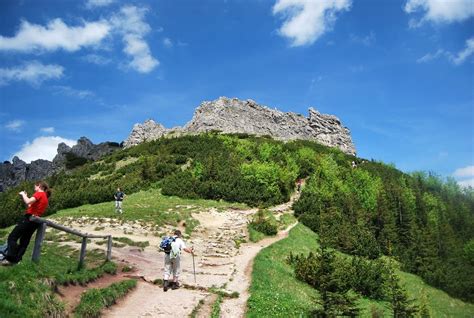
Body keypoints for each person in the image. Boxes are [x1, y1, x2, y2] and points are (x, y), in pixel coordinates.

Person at [1, 181, 51, 265]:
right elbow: (31, 206)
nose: (34, 188)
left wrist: (23, 195)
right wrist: (26, 196)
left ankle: (10, 258)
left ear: (39, 186)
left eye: (35, 186)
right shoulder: (45, 197)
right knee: (24, 240)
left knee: (12, 237)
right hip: (35, 221)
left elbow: (28, 202)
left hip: (29, 218)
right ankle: (16, 260)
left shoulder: (39, 193)